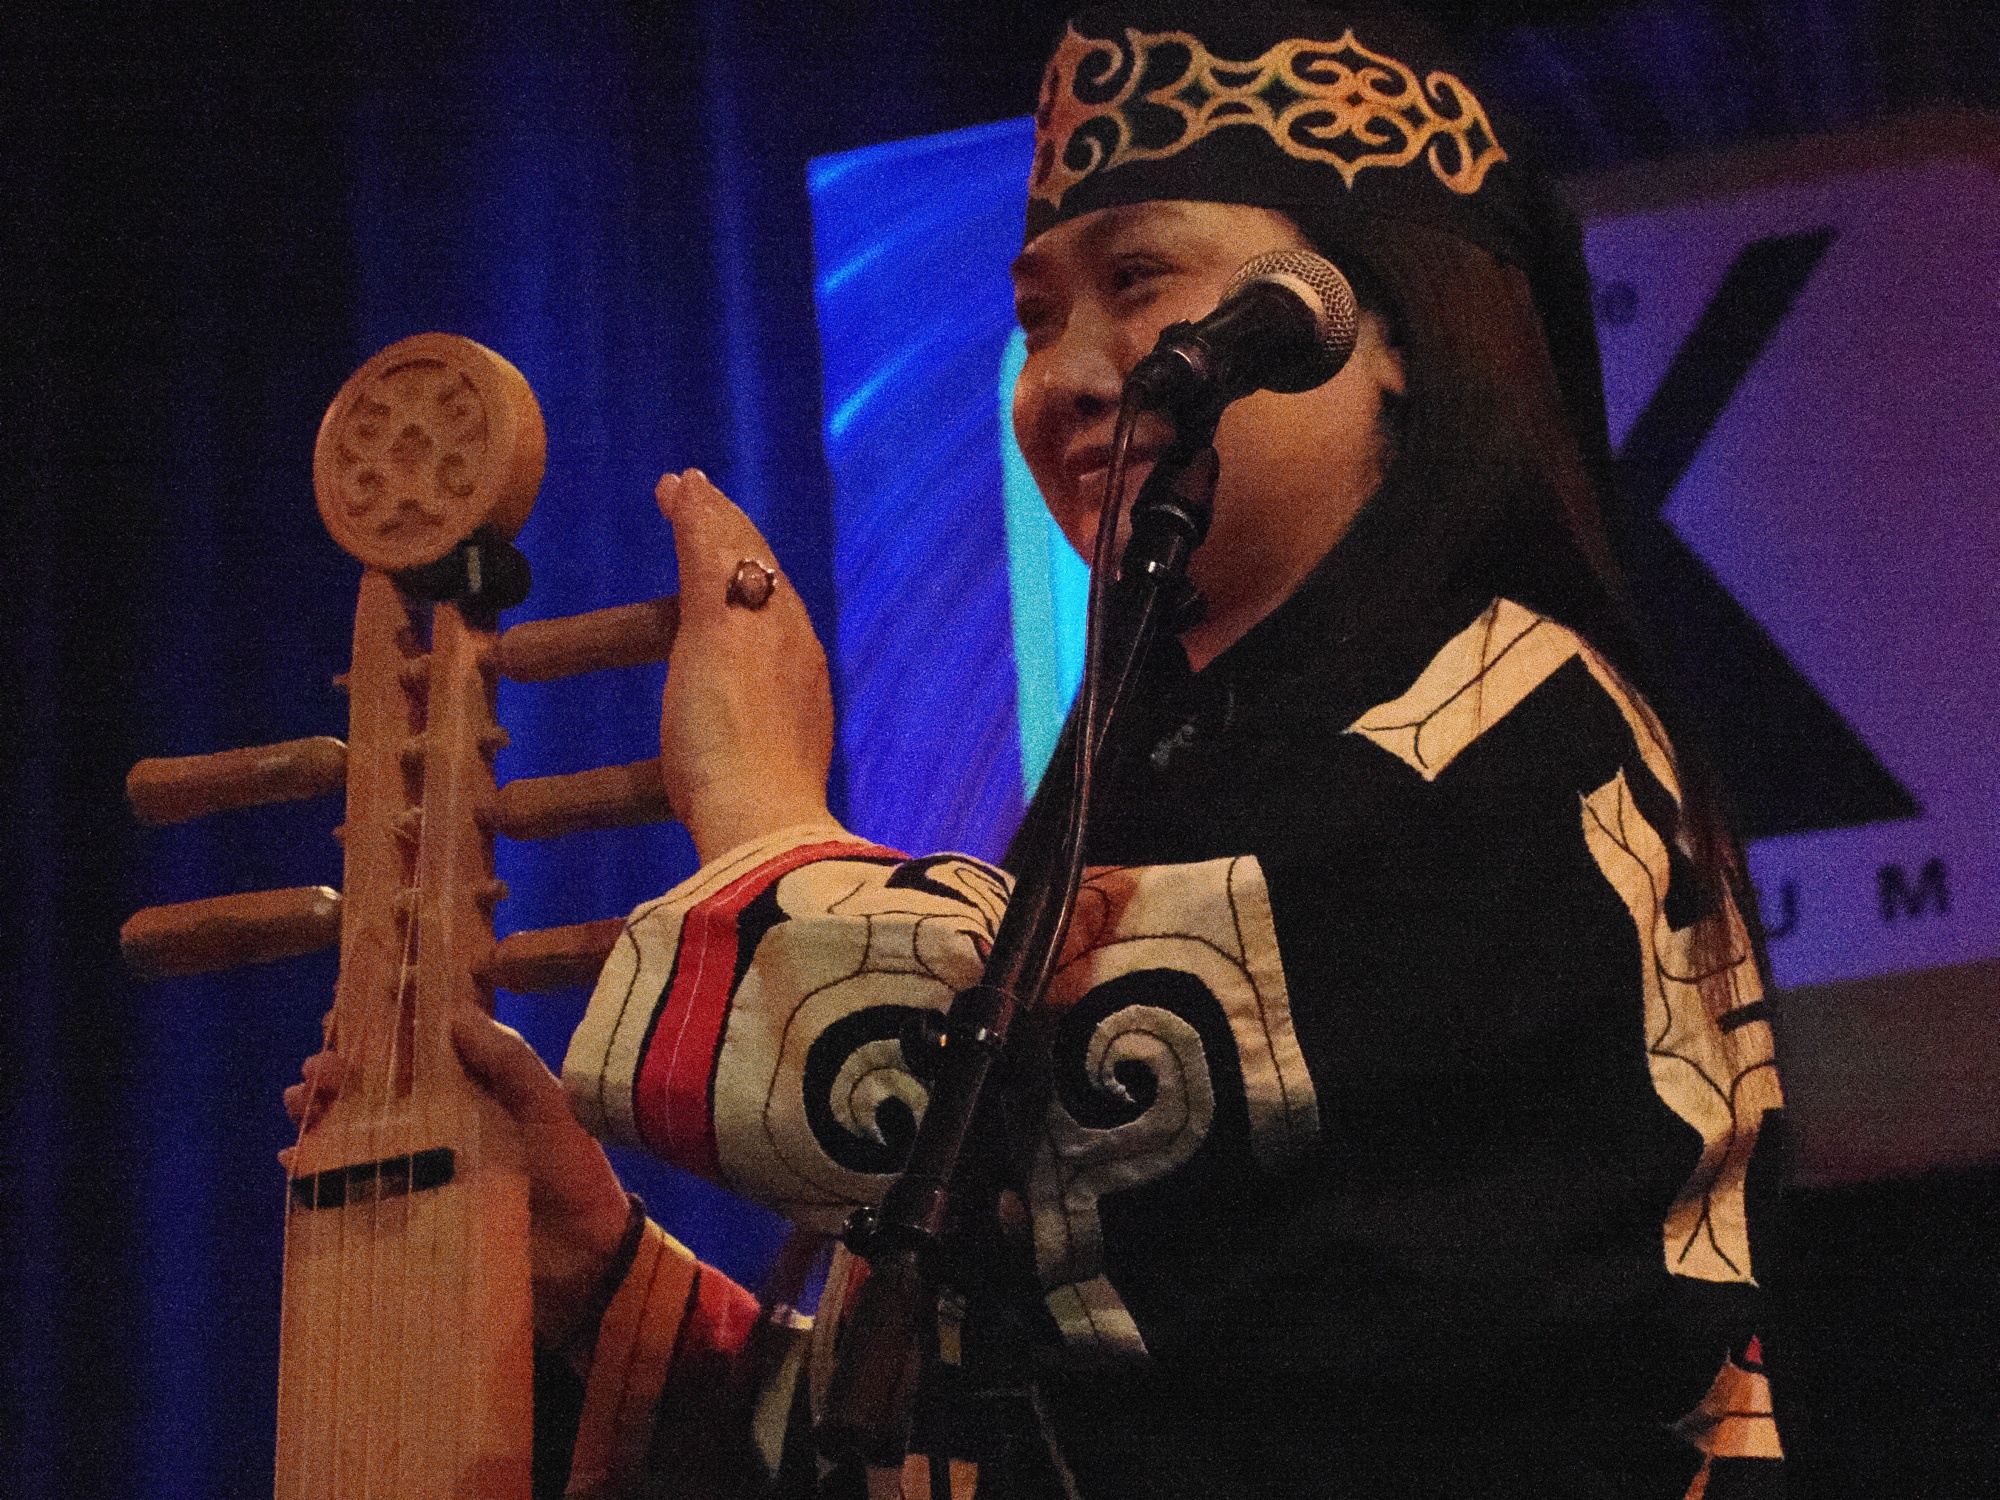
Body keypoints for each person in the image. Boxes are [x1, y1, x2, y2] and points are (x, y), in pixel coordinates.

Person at [292, 5, 1788, 1497]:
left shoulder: (1515, 727)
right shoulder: (1167, 788)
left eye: (1137, 283)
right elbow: (988, 1444)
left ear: (1383, 331)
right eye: (1033, 320)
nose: (1063, 377)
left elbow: (1106, 1066)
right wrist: (605, 1274)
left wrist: (756, 806)